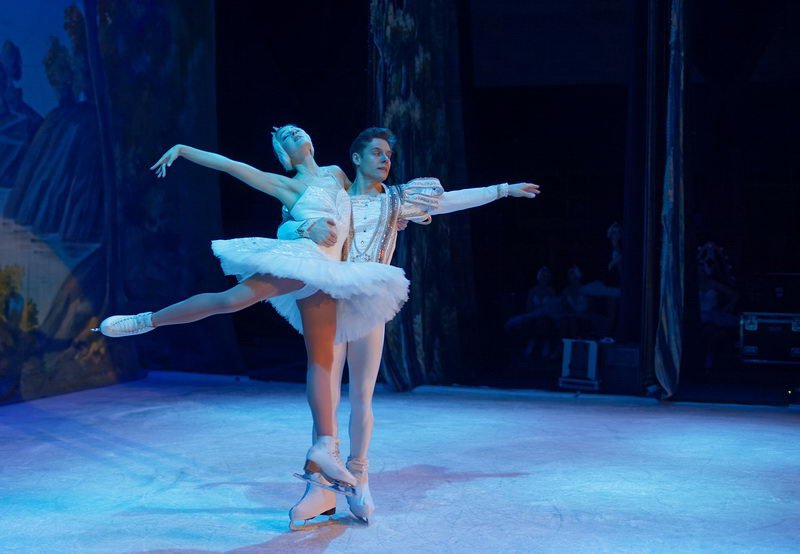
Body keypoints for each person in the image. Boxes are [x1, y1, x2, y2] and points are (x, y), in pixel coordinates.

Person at [95, 125, 410, 495]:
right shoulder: (287, 185)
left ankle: (325, 446)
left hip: (329, 277)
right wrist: (183, 148)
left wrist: (394, 214)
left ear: (311, 141)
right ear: (284, 153)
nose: (295, 135)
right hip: (302, 262)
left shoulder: (337, 175)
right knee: (231, 300)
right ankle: (145, 320)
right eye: (287, 137)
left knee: (322, 361)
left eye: (297, 130)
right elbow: (234, 168)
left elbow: (360, 204)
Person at [279, 127, 540, 528]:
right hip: (329, 297)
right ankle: (322, 485)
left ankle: (359, 474)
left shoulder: (397, 200)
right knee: (326, 394)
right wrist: (303, 229)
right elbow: (288, 225)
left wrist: (502, 190)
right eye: (377, 153)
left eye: (388, 155)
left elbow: (449, 201)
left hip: (369, 299)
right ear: (356, 158)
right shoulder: (335, 197)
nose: (385, 160)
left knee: (362, 395)